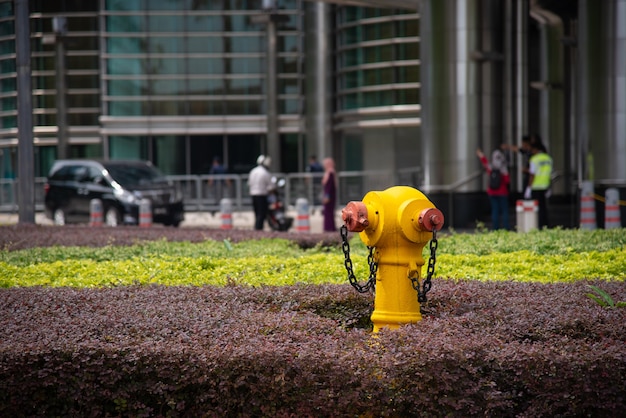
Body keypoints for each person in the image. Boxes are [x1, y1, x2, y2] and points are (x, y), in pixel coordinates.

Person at [477, 147, 510, 230]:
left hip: (492, 192)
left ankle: (495, 228)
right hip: (502, 192)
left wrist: (481, 155)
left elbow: (485, 162)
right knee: (504, 211)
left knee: (495, 210)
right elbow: (507, 181)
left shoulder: (491, 167)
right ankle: (506, 228)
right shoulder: (503, 168)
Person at [525, 142, 553, 228]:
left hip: (536, 186)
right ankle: (545, 225)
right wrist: (550, 187)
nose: (531, 152)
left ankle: (537, 225)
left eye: (532, 150)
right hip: (545, 186)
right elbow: (550, 173)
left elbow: (532, 174)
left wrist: (529, 188)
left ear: (535, 149)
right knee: (544, 208)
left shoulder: (534, 159)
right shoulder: (548, 158)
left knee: (536, 209)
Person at [248, 155, 272, 230]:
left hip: (253, 194)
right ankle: (258, 229)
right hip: (262, 195)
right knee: (261, 214)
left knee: (256, 213)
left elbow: (249, 183)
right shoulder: (265, 172)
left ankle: (257, 228)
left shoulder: (253, 171)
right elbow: (271, 185)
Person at [321, 157, 337, 232]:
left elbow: (329, 187)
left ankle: (329, 228)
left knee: (328, 212)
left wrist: (327, 196)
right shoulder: (329, 173)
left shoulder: (330, 173)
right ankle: (329, 227)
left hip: (329, 196)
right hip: (329, 195)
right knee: (328, 211)